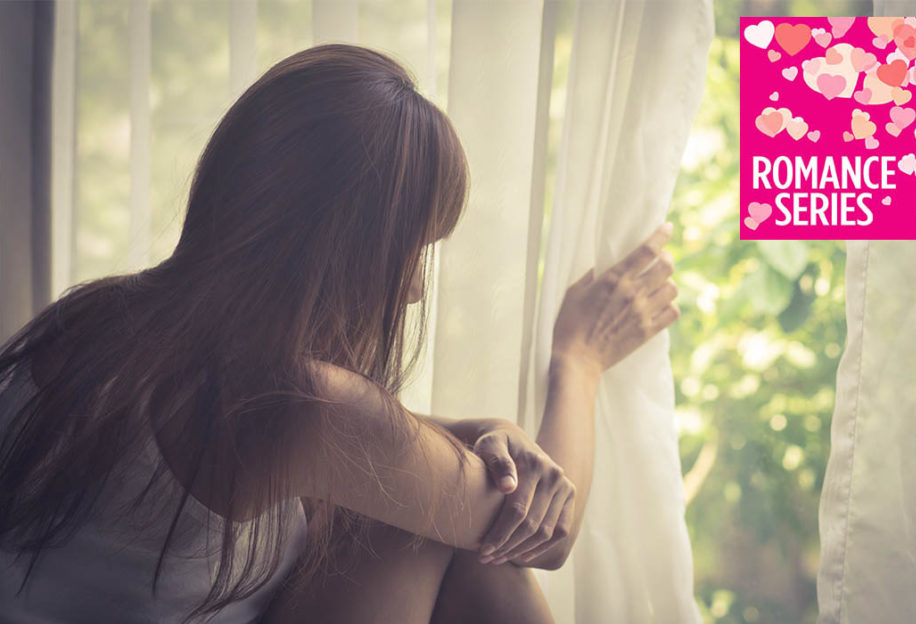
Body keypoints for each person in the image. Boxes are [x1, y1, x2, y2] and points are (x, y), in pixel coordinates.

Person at [0, 43, 679, 624]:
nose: (414, 287)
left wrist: (485, 428)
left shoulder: (89, 321)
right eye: (412, 250)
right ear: (344, 250)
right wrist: (580, 360)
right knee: (445, 536)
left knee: (409, 510)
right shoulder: (295, 404)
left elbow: (386, 449)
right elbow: (541, 535)